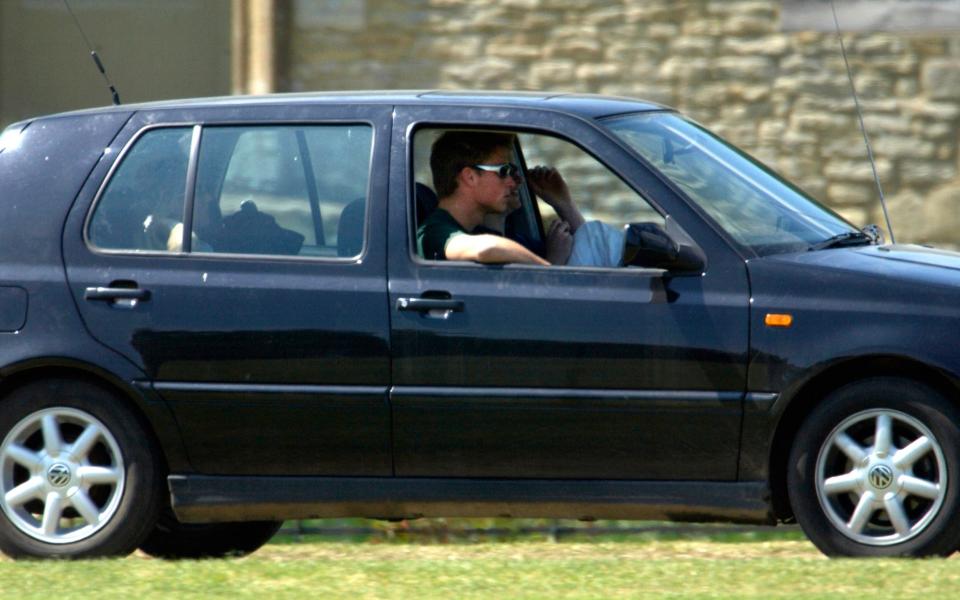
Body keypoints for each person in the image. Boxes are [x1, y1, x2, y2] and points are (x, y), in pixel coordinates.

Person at [417, 131, 573, 265]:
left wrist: (564, 204)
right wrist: (551, 269)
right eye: (504, 171)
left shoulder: (477, 231)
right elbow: (487, 249)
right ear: (470, 177)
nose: (513, 181)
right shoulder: (435, 232)